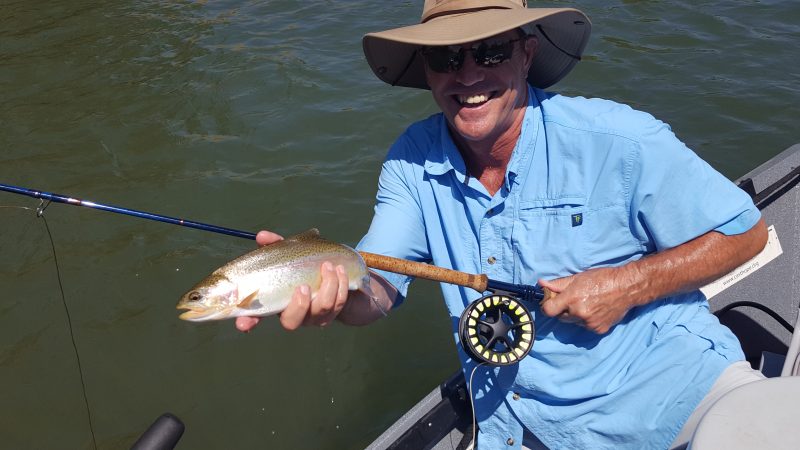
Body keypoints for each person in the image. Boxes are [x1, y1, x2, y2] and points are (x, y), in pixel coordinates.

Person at [237, 1, 769, 448]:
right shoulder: (411, 161)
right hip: (518, 426)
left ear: (527, 52)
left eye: (490, 50)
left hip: (677, 396)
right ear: (426, 68)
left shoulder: (619, 139)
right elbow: (375, 287)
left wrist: (628, 285)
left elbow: (748, 232)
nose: (468, 75)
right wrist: (327, 293)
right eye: (446, 56)